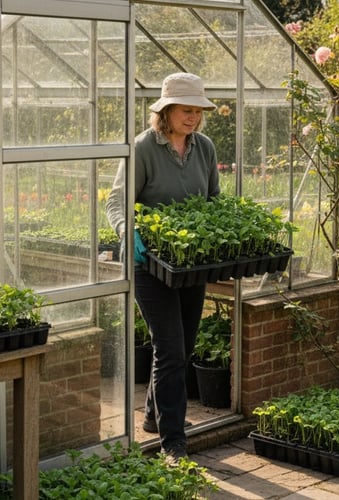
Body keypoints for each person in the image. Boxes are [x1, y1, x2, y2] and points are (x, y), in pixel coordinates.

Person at [106, 72, 219, 464]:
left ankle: (155, 415)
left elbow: (214, 201)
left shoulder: (204, 147)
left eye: (198, 111)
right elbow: (116, 202)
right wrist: (128, 233)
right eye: (186, 110)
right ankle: (174, 441)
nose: (193, 118)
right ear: (166, 111)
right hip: (148, 262)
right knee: (170, 347)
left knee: (182, 347)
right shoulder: (143, 147)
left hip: (189, 263)